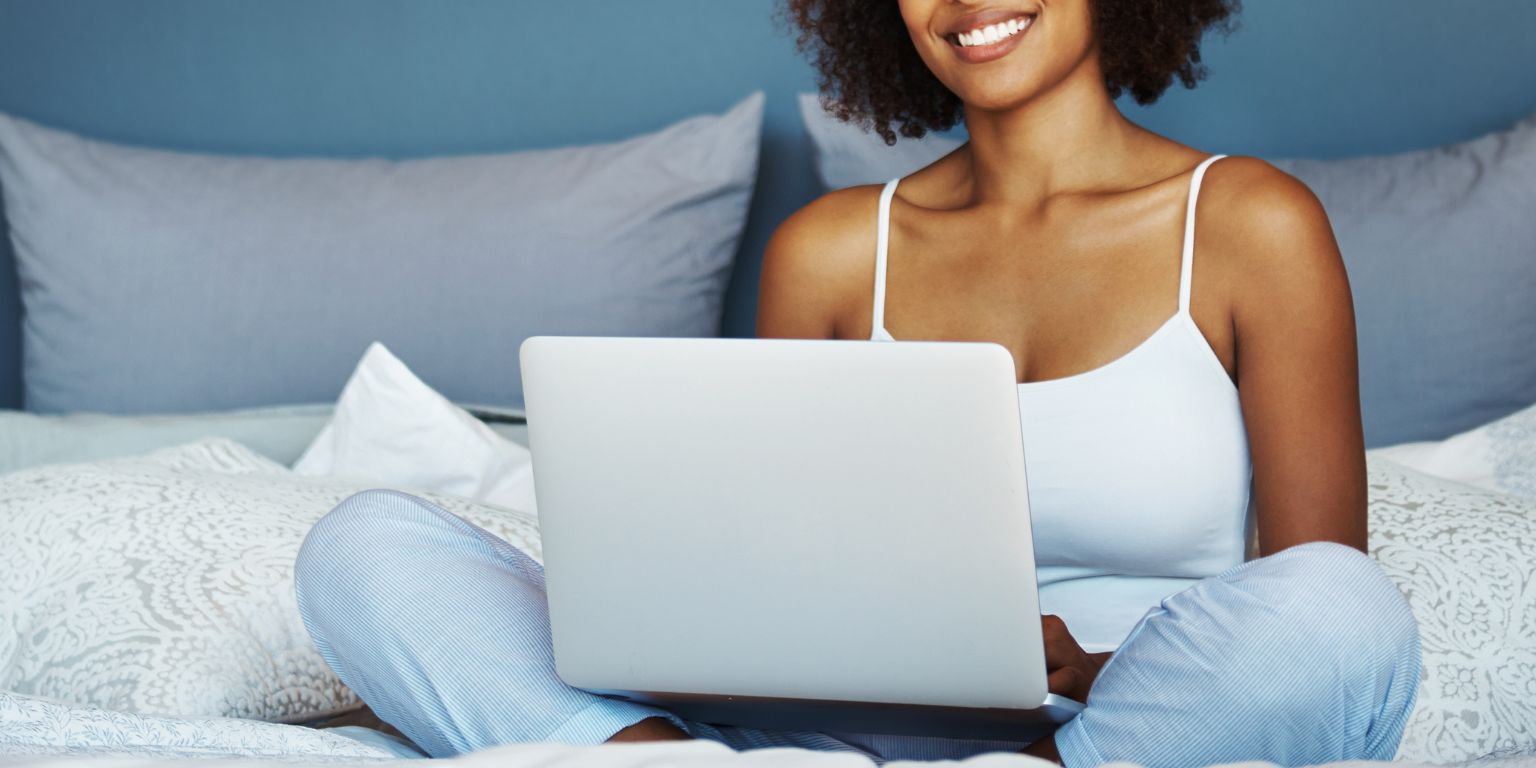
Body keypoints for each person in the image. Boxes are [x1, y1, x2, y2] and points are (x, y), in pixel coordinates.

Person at [294, 1, 1421, 765]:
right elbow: (780, 563)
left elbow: (1312, 576)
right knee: (362, 547)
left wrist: (1099, 663)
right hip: (842, 719)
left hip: (1120, 718)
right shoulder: (832, 251)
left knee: (1343, 615)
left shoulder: (1249, 225)